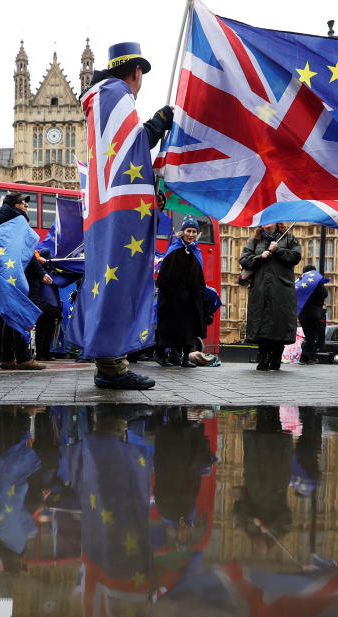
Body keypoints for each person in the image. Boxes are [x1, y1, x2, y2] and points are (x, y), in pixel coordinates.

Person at [79, 42, 172, 391]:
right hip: (116, 211)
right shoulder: (116, 94)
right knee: (118, 280)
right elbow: (128, 153)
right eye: (142, 74)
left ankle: (111, 363)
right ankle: (112, 368)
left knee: (111, 278)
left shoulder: (101, 96)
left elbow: (120, 152)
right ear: (135, 72)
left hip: (106, 209)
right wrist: (154, 126)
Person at [0, 192, 46, 370]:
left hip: (4, 273)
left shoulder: (0, 221)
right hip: (17, 273)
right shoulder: (18, 222)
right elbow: (24, 251)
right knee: (19, 313)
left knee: (6, 315)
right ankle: (22, 357)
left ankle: (7, 358)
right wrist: (40, 272)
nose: (26, 205)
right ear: (12, 204)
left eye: (27, 203)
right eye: (22, 202)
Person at [239, 223, 300, 371]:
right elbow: (244, 260)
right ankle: (264, 358)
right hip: (260, 288)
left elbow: (296, 257)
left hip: (281, 289)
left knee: (279, 324)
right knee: (261, 323)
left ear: (277, 221)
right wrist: (260, 257)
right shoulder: (255, 241)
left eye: (270, 220)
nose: (267, 223)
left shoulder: (289, 238)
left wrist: (277, 250)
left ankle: (276, 359)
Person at [156, 216, 206, 367]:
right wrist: (169, 293)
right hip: (172, 297)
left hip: (190, 298)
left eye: (194, 231)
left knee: (188, 328)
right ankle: (161, 355)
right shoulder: (174, 250)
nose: (191, 234)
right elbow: (164, 276)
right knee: (168, 326)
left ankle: (185, 358)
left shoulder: (196, 251)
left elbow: (200, 277)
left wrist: (200, 294)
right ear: (182, 232)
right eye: (188, 231)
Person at [297, 264, 327, 365]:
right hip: (314, 314)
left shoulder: (300, 282)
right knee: (312, 336)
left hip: (302, 315)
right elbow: (324, 293)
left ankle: (308, 357)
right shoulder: (315, 282)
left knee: (308, 336)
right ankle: (306, 358)